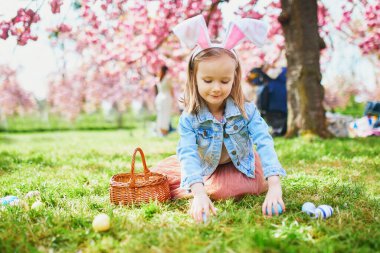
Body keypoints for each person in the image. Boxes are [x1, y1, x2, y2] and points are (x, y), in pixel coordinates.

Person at [152, 15, 286, 223]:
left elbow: (264, 143)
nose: (216, 88)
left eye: (225, 81)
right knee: (162, 176)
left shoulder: (246, 111)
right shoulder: (189, 117)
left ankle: (214, 186)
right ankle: (200, 186)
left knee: (227, 189)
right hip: (207, 164)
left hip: (240, 164)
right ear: (194, 79)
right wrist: (198, 194)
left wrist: (275, 187)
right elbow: (187, 152)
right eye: (207, 80)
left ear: (235, 78)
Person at [246, 66, 287, 136]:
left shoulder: (266, 77)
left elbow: (254, 81)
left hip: (274, 105)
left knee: (277, 122)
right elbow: (254, 80)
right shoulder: (283, 72)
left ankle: (277, 131)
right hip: (278, 105)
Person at [154, 65, 174, 136]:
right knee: (166, 115)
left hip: (159, 98)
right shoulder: (168, 78)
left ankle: (159, 131)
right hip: (166, 98)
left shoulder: (159, 78)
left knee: (160, 115)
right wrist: (173, 99)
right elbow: (171, 90)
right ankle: (164, 131)